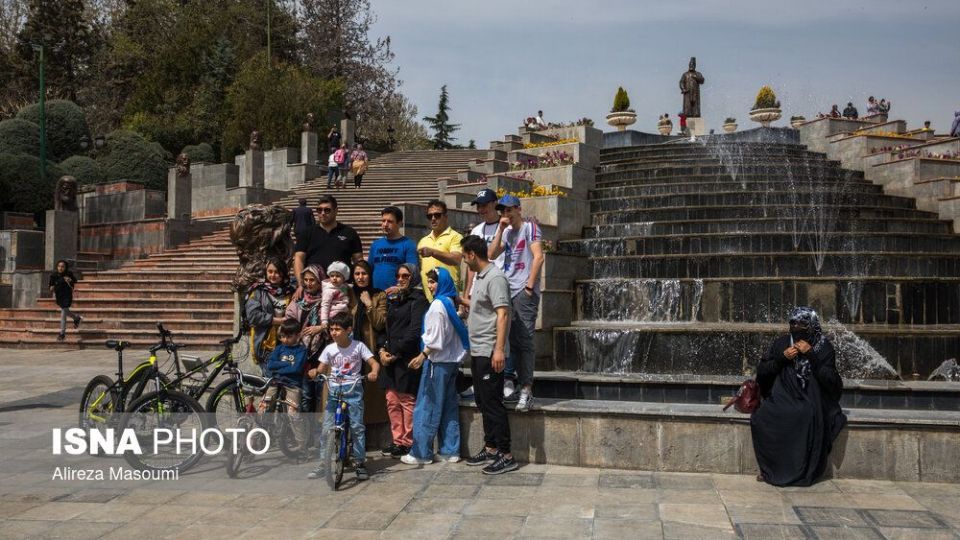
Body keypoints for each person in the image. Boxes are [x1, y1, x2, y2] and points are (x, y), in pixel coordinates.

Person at [751, 307, 847, 487]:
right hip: (784, 392)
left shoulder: (823, 347)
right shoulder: (782, 343)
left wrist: (811, 355)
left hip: (812, 394)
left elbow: (831, 380)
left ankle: (800, 470)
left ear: (811, 325)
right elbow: (763, 372)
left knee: (804, 414)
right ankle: (771, 469)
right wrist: (781, 358)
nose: (796, 327)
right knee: (764, 415)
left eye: (802, 323)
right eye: (792, 323)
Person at [401, 268, 470, 465]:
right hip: (450, 363)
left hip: (436, 363)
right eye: (429, 282)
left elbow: (436, 339)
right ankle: (450, 450)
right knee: (448, 407)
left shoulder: (437, 306)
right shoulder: (448, 303)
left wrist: (422, 355)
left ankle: (421, 453)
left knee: (426, 406)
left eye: (433, 282)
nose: (430, 286)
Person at [461, 235, 517, 475]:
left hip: (489, 351)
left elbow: (503, 314)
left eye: (464, 256)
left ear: (472, 254)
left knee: (493, 403)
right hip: (478, 351)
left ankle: (506, 455)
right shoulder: (481, 278)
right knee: (483, 402)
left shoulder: (495, 278)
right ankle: (491, 447)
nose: (464, 261)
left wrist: (499, 350)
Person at [307, 312, 381, 481]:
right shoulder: (329, 349)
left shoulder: (358, 346)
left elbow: (374, 363)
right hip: (334, 391)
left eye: (338, 329)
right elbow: (321, 368)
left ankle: (360, 463)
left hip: (353, 390)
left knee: (357, 427)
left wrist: (374, 372)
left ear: (348, 330)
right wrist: (315, 372)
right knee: (326, 428)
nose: (334, 332)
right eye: (331, 329)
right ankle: (323, 463)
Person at [489, 195, 544, 411]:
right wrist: (500, 230)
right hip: (507, 290)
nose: (506, 215)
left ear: (518, 210)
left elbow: (538, 256)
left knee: (525, 339)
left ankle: (527, 390)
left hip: (523, 290)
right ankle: (516, 387)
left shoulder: (530, 228)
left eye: (510, 210)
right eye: (503, 211)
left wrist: (529, 287)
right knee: (510, 339)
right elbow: (491, 254)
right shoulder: (507, 232)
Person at [378, 263, 428, 458]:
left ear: (413, 277)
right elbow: (385, 329)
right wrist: (382, 350)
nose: (400, 279)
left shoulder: (419, 300)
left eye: (405, 276)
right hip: (390, 357)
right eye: (398, 276)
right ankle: (397, 440)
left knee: (406, 400)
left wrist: (395, 353)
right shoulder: (395, 299)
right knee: (391, 400)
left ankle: (408, 441)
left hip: (406, 357)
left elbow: (414, 332)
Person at [293, 195, 362, 300]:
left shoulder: (349, 233)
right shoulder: (307, 233)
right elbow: (298, 259)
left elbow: (359, 262)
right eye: (319, 210)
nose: (322, 213)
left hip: (341, 289)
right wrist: (301, 284)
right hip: (313, 289)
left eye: (327, 210)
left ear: (336, 211)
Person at [349, 260, 389, 426]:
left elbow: (380, 323)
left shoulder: (379, 295)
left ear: (370, 275)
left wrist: (368, 304)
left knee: (370, 390)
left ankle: (368, 430)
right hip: (349, 347)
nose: (360, 277)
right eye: (357, 273)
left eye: (364, 273)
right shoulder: (348, 293)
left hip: (370, 346)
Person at [261, 319, 310, 454]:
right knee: (264, 407)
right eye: (282, 336)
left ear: (298, 335)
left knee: (293, 413)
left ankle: (302, 446)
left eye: (289, 336)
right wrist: (287, 366)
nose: (285, 339)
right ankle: (255, 439)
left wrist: (280, 366)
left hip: (293, 385)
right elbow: (270, 365)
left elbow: (297, 369)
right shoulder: (279, 348)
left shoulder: (301, 350)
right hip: (275, 382)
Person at [284, 264, 327, 414]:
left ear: (320, 281)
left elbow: (335, 322)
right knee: (306, 395)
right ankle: (307, 431)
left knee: (321, 394)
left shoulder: (327, 302)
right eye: (306, 280)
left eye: (312, 280)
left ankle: (320, 431)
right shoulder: (298, 301)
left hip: (322, 354)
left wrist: (320, 328)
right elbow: (288, 321)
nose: (308, 283)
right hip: (302, 355)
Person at [245, 258, 294, 375]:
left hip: (287, 342)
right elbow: (253, 316)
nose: (273, 275)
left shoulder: (291, 291)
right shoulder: (258, 291)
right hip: (266, 344)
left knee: (285, 381)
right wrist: (279, 321)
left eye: (277, 272)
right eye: (270, 271)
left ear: (283, 273)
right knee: (271, 380)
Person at [417, 199, 463, 300]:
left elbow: (457, 259)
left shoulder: (455, 237)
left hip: (448, 297)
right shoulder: (423, 241)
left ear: (446, 217)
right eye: (430, 216)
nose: (433, 218)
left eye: (437, 215)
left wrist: (433, 252)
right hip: (427, 298)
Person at [368, 206, 418, 294]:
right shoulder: (375, 245)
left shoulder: (408, 244)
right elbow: (369, 270)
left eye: (390, 221)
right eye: (383, 221)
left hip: (398, 297)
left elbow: (413, 274)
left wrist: (399, 289)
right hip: (377, 296)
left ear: (399, 224)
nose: (385, 224)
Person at [49, 260, 81, 342]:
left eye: (62, 266)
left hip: (67, 295)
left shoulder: (69, 273)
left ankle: (62, 333)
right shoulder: (53, 275)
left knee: (63, 312)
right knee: (65, 311)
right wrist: (59, 282)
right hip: (59, 296)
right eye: (59, 266)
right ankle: (76, 318)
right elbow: (51, 288)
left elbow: (75, 281)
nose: (60, 268)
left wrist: (70, 280)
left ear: (65, 267)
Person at [321, 261, 351, 329]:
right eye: (332, 276)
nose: (334, 278)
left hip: (343, 313)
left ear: (344, 278)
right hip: (333, 316)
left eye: (338, 276)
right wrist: (324, 320)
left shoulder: (343, 287)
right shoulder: (329, 290)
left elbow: (345, 295)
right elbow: (325, 305)